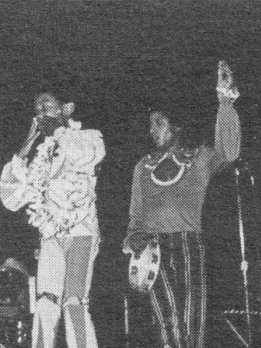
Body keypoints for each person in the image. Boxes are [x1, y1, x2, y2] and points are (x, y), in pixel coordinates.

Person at [123, 61, 241, 348]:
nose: (152, 130)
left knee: (192, 322)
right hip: (153, 250)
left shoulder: (198, 159)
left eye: (159, 123)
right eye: (151, 124)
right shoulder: (142, 167)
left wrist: (224, 100)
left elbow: (229, 152)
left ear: (176, 125)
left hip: (189, 246)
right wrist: (134, 239)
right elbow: (135, 217)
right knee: (167, 320)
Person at [0, 92, 105, 348]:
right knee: (46, 302)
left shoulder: (88, 137)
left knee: (73, 301)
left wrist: (58, 131)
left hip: (80, 232)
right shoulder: (41, 157)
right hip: (50, 237)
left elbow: (86, 155)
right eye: (37, 109)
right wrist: (28, 142)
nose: (41, 113)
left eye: (47, 106)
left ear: (66, 108)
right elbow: (10, 198)